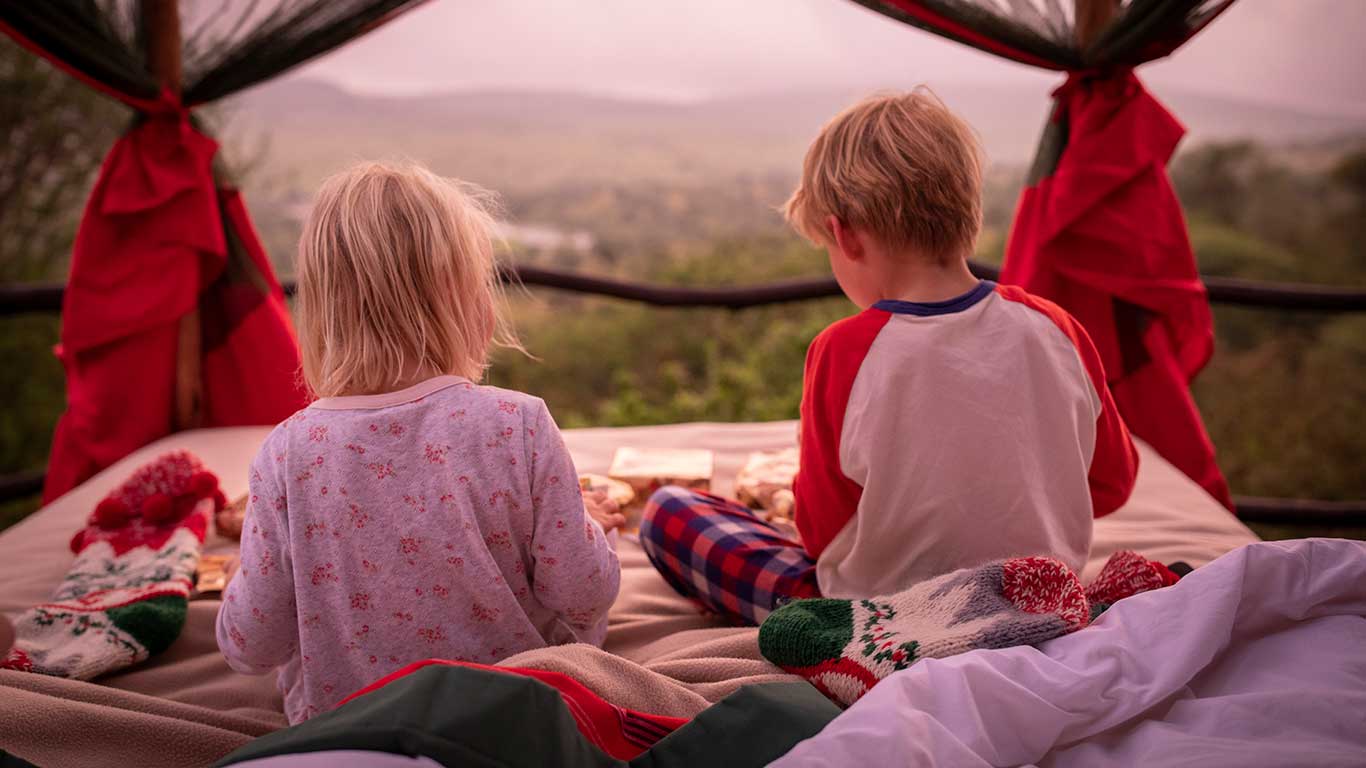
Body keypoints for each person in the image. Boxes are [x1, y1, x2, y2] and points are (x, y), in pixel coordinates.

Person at [639, 90, 1138, 625]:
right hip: (1038, 596)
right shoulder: (1055, 326)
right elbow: (1111, 484)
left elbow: (820, 534)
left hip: (888, 616)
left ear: (845, 235)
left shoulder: (843, 351)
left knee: (670, 512)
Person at [216, 162, 622, 723]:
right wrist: (589, 530)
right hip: (511, 715)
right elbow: (584, 592)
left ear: (323, 314)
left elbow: (252, 647)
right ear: (467, 304)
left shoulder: (287, 454)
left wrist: (242, 581)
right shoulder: (520, 424)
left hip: (352, 730)